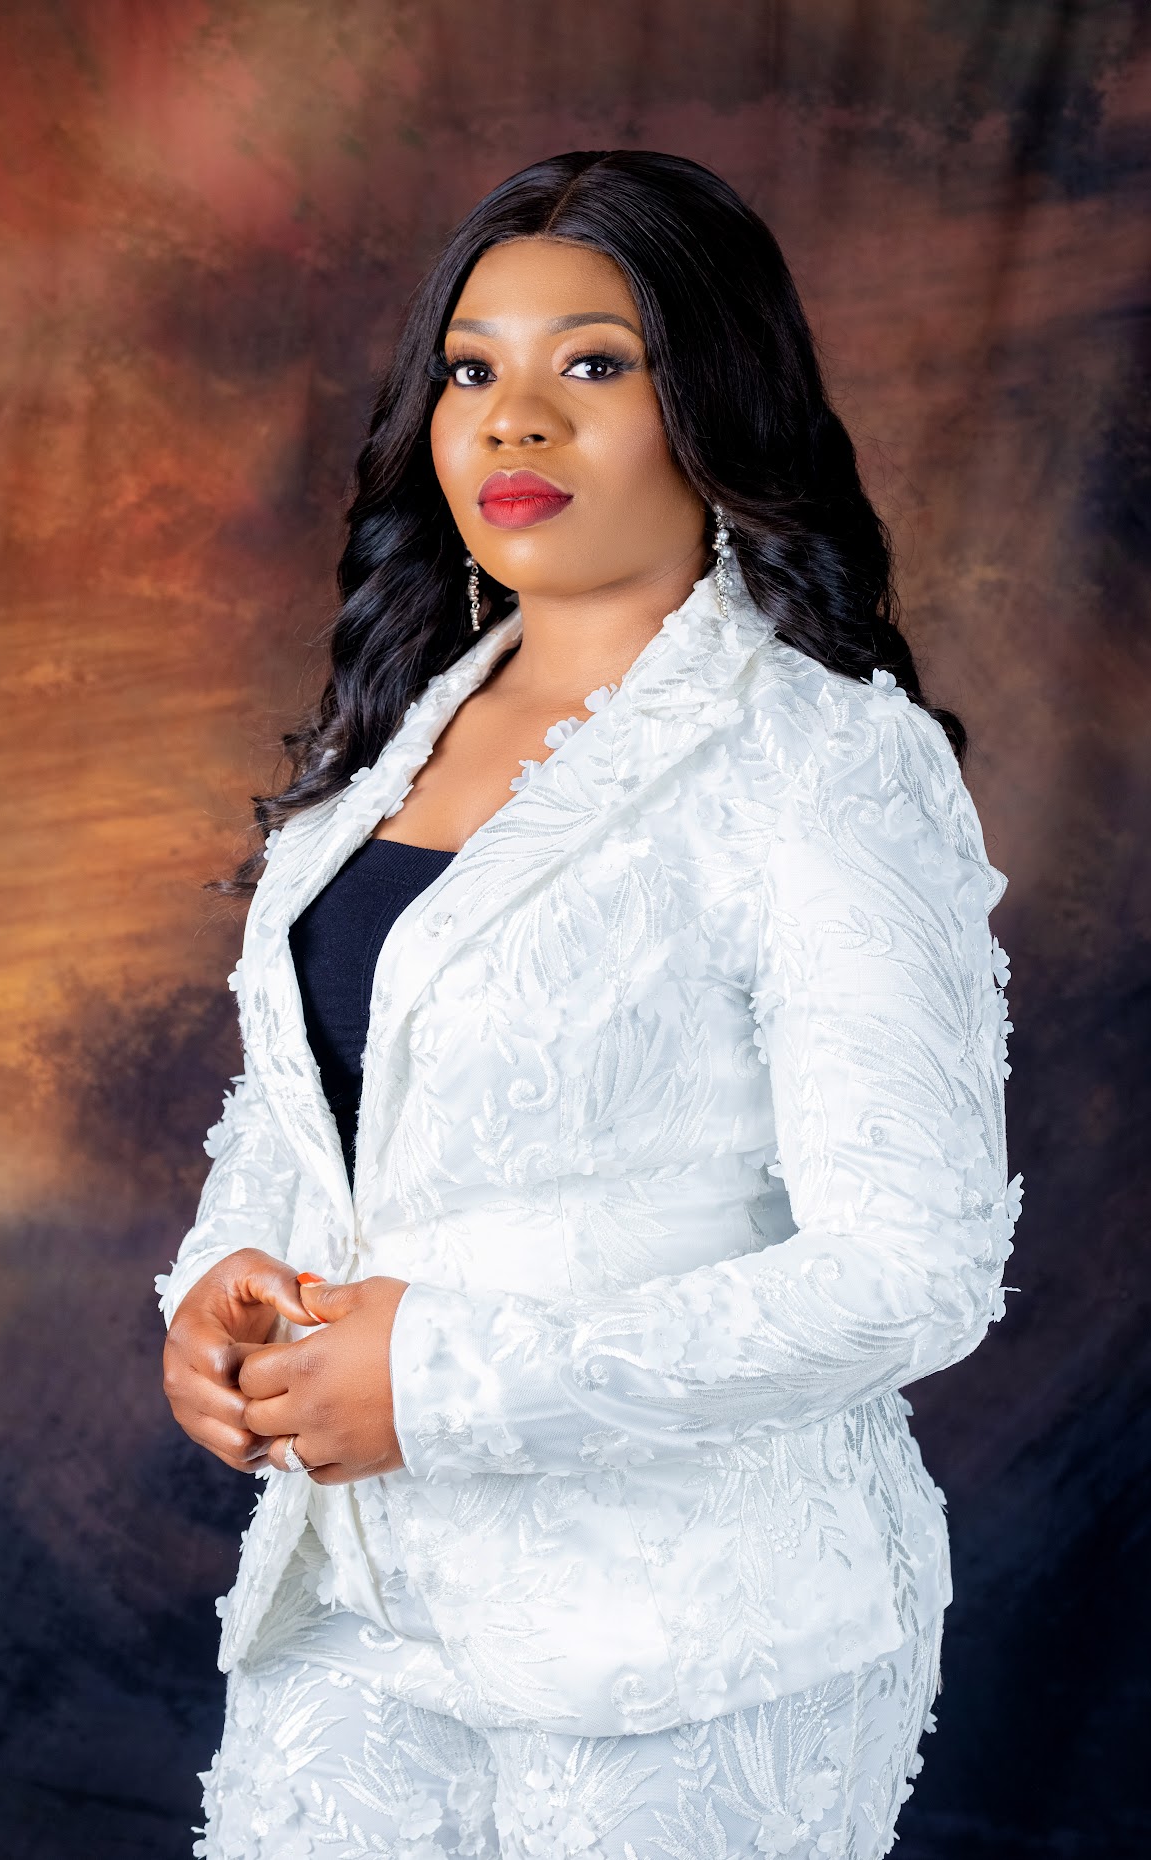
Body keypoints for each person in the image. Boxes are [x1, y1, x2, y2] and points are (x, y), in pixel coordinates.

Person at [157, 150, 1021, 1860]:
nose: (515, 419)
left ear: (716, 403)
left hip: (692, 1644)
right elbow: (314, 1109)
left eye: (595, 365)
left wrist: (447, 1385)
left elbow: (914, 1268)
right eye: (471, 369)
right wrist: (221, 1285)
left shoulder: (824, 761)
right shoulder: (392, 742)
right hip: (354, 1610)